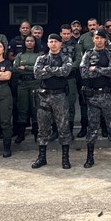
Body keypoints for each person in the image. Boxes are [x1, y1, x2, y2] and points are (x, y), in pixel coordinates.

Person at [79, 29, 111, 168]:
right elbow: (84, 73)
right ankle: (90, 158)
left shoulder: (110, 54)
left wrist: (96, 69)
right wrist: (104, 70)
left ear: (105, 40)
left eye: (101, 38)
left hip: (108, 96)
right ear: (93, 39)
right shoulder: (88, 54)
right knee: (92, 128)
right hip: (93, 97)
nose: (98, 40)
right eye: (96, 37)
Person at [33, 33, 73, 169]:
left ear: (60, 44)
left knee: (63, 128)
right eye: (51, 41)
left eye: (56, 41)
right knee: (43, 128)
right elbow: (37, 74)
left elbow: (65, 71)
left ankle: (65, 158)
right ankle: (41, 157)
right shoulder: (42, 58)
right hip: (44, 96)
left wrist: (49, 69)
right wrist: (56, 71)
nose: (54, 44)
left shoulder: (66, 57)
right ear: (48, 43)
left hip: (60, 96)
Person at [11, 35, 40, 143]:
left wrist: (26, 68)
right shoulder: (19, 55)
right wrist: (30, 69)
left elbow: (39, 69)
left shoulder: (39, 55)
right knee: (22, 108)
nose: (29, 43)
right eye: (27, 41)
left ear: (35, 42)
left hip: (35, 83)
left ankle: (37, 133)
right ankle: (21, 134)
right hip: (22, 84)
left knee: (35, 108)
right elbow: (15, 69)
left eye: (31, 41)